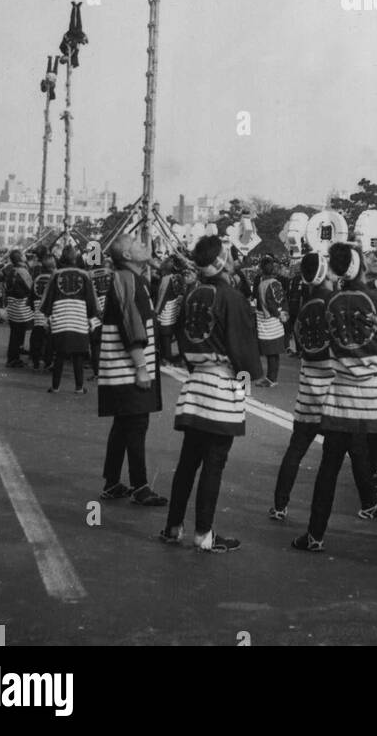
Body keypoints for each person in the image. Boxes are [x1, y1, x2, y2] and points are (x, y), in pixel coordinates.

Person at [291, 242, 377, 553]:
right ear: (359, 267)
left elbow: (363, 294)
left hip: (342, 398)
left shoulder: (332, 300)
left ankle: (315, 536)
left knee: (328, 469)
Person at [159, 236, 262, 553]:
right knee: (213, 464)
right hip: (222, 386)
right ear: (222, 261)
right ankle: (203, 534)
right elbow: (245, 354)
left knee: (188, 461)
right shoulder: (232, 297)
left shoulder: (192, 293)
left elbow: (172, 331)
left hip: (196, 383)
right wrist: (246, 385)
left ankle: (173, 527)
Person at [270, 252, 376, 522]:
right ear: (326, 273)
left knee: (296, 449)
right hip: (334, 391)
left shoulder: (305, 307)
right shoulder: (337, 304)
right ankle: (370, 504)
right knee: (357, 449)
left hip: (308, 390)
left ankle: (280, 505)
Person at [96, 235, 167, 507]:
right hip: (128, 368)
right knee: (136, 426)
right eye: (137, 243)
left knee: (124, 425)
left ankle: (112, 482)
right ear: (126, 255)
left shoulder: (134, 278)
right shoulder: (127, 279)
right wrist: (141, 367)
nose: (144, 245)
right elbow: (131, 324)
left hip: (123, 368)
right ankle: (140, 486)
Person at [41, 249, 99, 394]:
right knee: (78, 355)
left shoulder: (56, 275)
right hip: (79, 317)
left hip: (60, 316)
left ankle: (55, 387)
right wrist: (92, 317)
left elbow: (48, 297)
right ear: (76, 259)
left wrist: (47, 316)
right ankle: (79, 388)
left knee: (59, 355)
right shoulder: (85, 275)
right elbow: (91, 299)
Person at [252, 256, 286, 387]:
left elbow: (268, 304)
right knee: (274, 352)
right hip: (277, 321)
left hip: (266, 321)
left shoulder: (262, 284)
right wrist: (282, 314)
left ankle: (271, 379)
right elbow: (282, 301)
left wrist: (276, 313)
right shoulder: (277, 283)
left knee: (270, 351)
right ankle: (272, 377)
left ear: (261, 269)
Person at [3, 249, 34, 368]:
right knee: (18, 332)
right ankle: (13, 358)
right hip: (21, 306)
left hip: (12, 305)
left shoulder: (11, 270)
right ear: (20, 258)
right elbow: (30, 287)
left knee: (16, 332)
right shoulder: (23, 272)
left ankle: (17, 352)